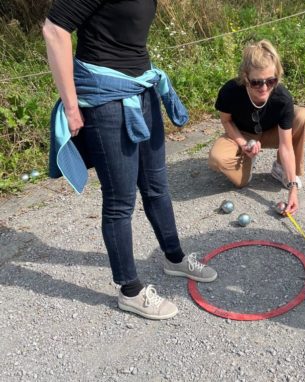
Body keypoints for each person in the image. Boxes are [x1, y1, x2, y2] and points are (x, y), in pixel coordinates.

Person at [43, 0, 217, 320]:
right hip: (105, 100)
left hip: (142, 88)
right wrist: (71, 105)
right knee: (120, 200)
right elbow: (54, 29)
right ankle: (130, 290)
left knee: (156, 186)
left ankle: (174, 258)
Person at [208, 39, 305, 215]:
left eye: (271, 81)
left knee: (303, 117)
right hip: (242, 133)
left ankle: (281, 170)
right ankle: (247, 159)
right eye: (257, 82)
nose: (264, 88)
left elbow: (286, 146)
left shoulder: (282, 97)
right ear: (245, 78)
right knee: (218, 159)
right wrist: (242, 144)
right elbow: (226, 121)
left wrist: (293, 188)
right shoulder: (230, 91)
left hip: (273, 133)